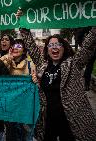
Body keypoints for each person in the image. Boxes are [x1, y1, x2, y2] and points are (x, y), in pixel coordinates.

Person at [16, 10, 96, 141]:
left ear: (64, 48)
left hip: (70, 121)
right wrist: (22, 21)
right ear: (47, 50)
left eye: (58, 44)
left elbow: (88, 46)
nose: (54, 47)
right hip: (47, 121)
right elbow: (30, 44)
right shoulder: (42, 64)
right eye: (51, 45)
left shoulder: (73, 64)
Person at [0, 39, 36, 141]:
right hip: (10, 107)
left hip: (25, 108)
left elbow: (36, 84)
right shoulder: (5, 59)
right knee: (11, 135)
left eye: (19, 46)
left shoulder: (30, 64)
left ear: (24, 51)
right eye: (14, 46)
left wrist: (35, 80)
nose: (15, 48)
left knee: (26, 135)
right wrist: (9, 59)